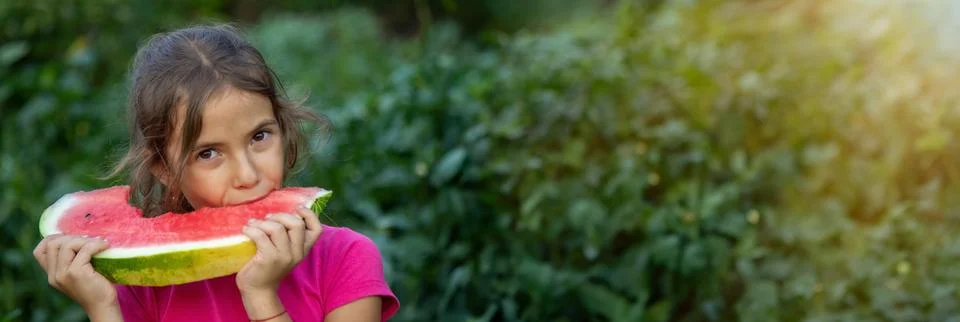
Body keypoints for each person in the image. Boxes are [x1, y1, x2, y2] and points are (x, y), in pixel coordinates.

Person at [32, 24, 399, 322]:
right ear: (165, 170)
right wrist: (103, 309)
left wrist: (261, 296)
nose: (247, 174)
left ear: (283, 128)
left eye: (259, 136)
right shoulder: (145, 286)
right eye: (208, 153)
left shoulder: (347, 260)